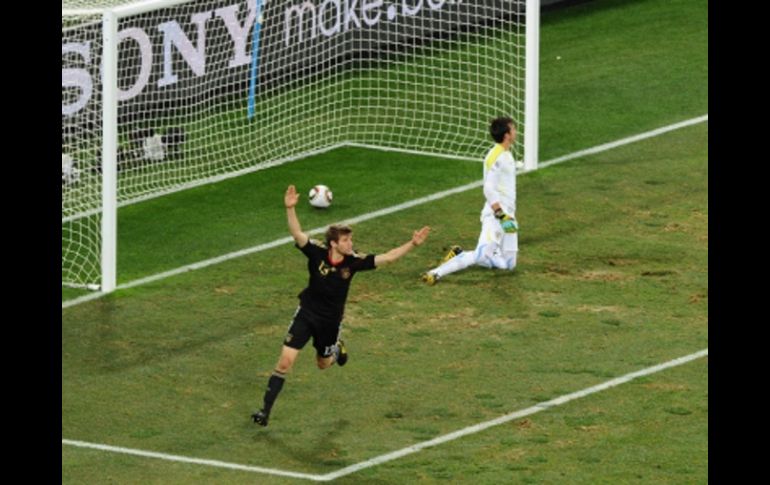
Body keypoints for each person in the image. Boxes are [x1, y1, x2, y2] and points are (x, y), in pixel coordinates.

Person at [252, 185, 431, 426]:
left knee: (323, 364)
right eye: (346, 240)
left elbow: (387, 258)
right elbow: (297, 234)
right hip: (307, 314)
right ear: (333, 244)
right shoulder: (316, 253)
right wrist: (290, 208)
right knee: (285, 361)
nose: (350, 243)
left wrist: (412, 244)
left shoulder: (354, 262)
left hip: (330, 322)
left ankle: (336, 349)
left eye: (350, 239)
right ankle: (265, 412)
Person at [422, 116, 519, 285]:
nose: (516, 131)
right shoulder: (496, 156)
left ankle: (469, 254)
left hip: (509, 214)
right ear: (507, 135)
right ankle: (436, 272)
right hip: (497, 214)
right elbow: (488, 188)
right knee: (481, 255)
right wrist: (500, 214)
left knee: (509, 264)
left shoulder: (506, 154)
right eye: (513, 128)